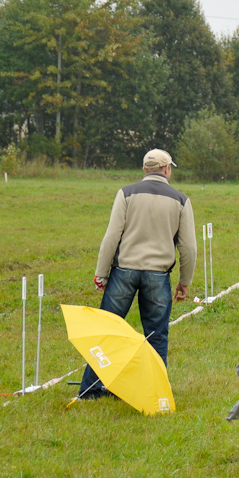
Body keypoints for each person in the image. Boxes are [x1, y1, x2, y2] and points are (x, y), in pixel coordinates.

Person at [80, 149, 197, 400]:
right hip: (158, 276)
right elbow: (188, 247)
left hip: (123, 272)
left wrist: (101, 273)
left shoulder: (126, 193)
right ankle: (155, 391)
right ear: (167, 170)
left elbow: (112, 236)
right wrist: (184, 282)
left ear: (144, 170)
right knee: (156, 336)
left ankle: (91, 390)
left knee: (107, 332)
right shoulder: (181, 199)